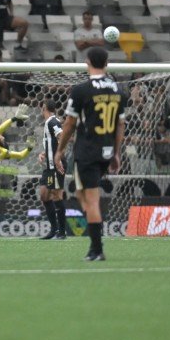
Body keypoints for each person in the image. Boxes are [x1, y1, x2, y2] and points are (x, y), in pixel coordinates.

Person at [55, 48, 126, 261]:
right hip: (105, 151)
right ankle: (96, 243)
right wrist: (116, 153)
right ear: (107, 63)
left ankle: (97, 249)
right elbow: (120, 124)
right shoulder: (117, 90)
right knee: (82, 196)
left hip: (87, 152)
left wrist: (60, 150)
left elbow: (69, 123)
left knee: (91, 201)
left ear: (87, 62)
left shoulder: (81, 90)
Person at [38, 99, 67, 240]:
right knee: (44, 195)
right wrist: (44, 153)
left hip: (56, 164)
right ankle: (54, 229)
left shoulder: (52, 121)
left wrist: (58, 157)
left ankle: (61, 232)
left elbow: (62, 137)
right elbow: (54, 142)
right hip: (49, 166)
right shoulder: (49, 122)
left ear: (44, 107)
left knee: (56, 195)